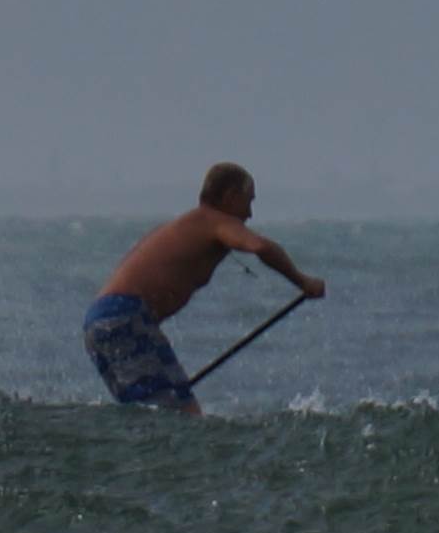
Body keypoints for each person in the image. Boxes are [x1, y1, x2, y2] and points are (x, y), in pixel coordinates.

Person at [85, 162, 327, 413]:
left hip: (99, 321)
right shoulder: (215, 221)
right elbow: (260, 247)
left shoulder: (191, 224)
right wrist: (303, 281)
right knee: (181, 415)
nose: (249, 214)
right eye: (248, 201)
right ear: (231, 196)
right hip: (125, 317)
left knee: (147, 414)